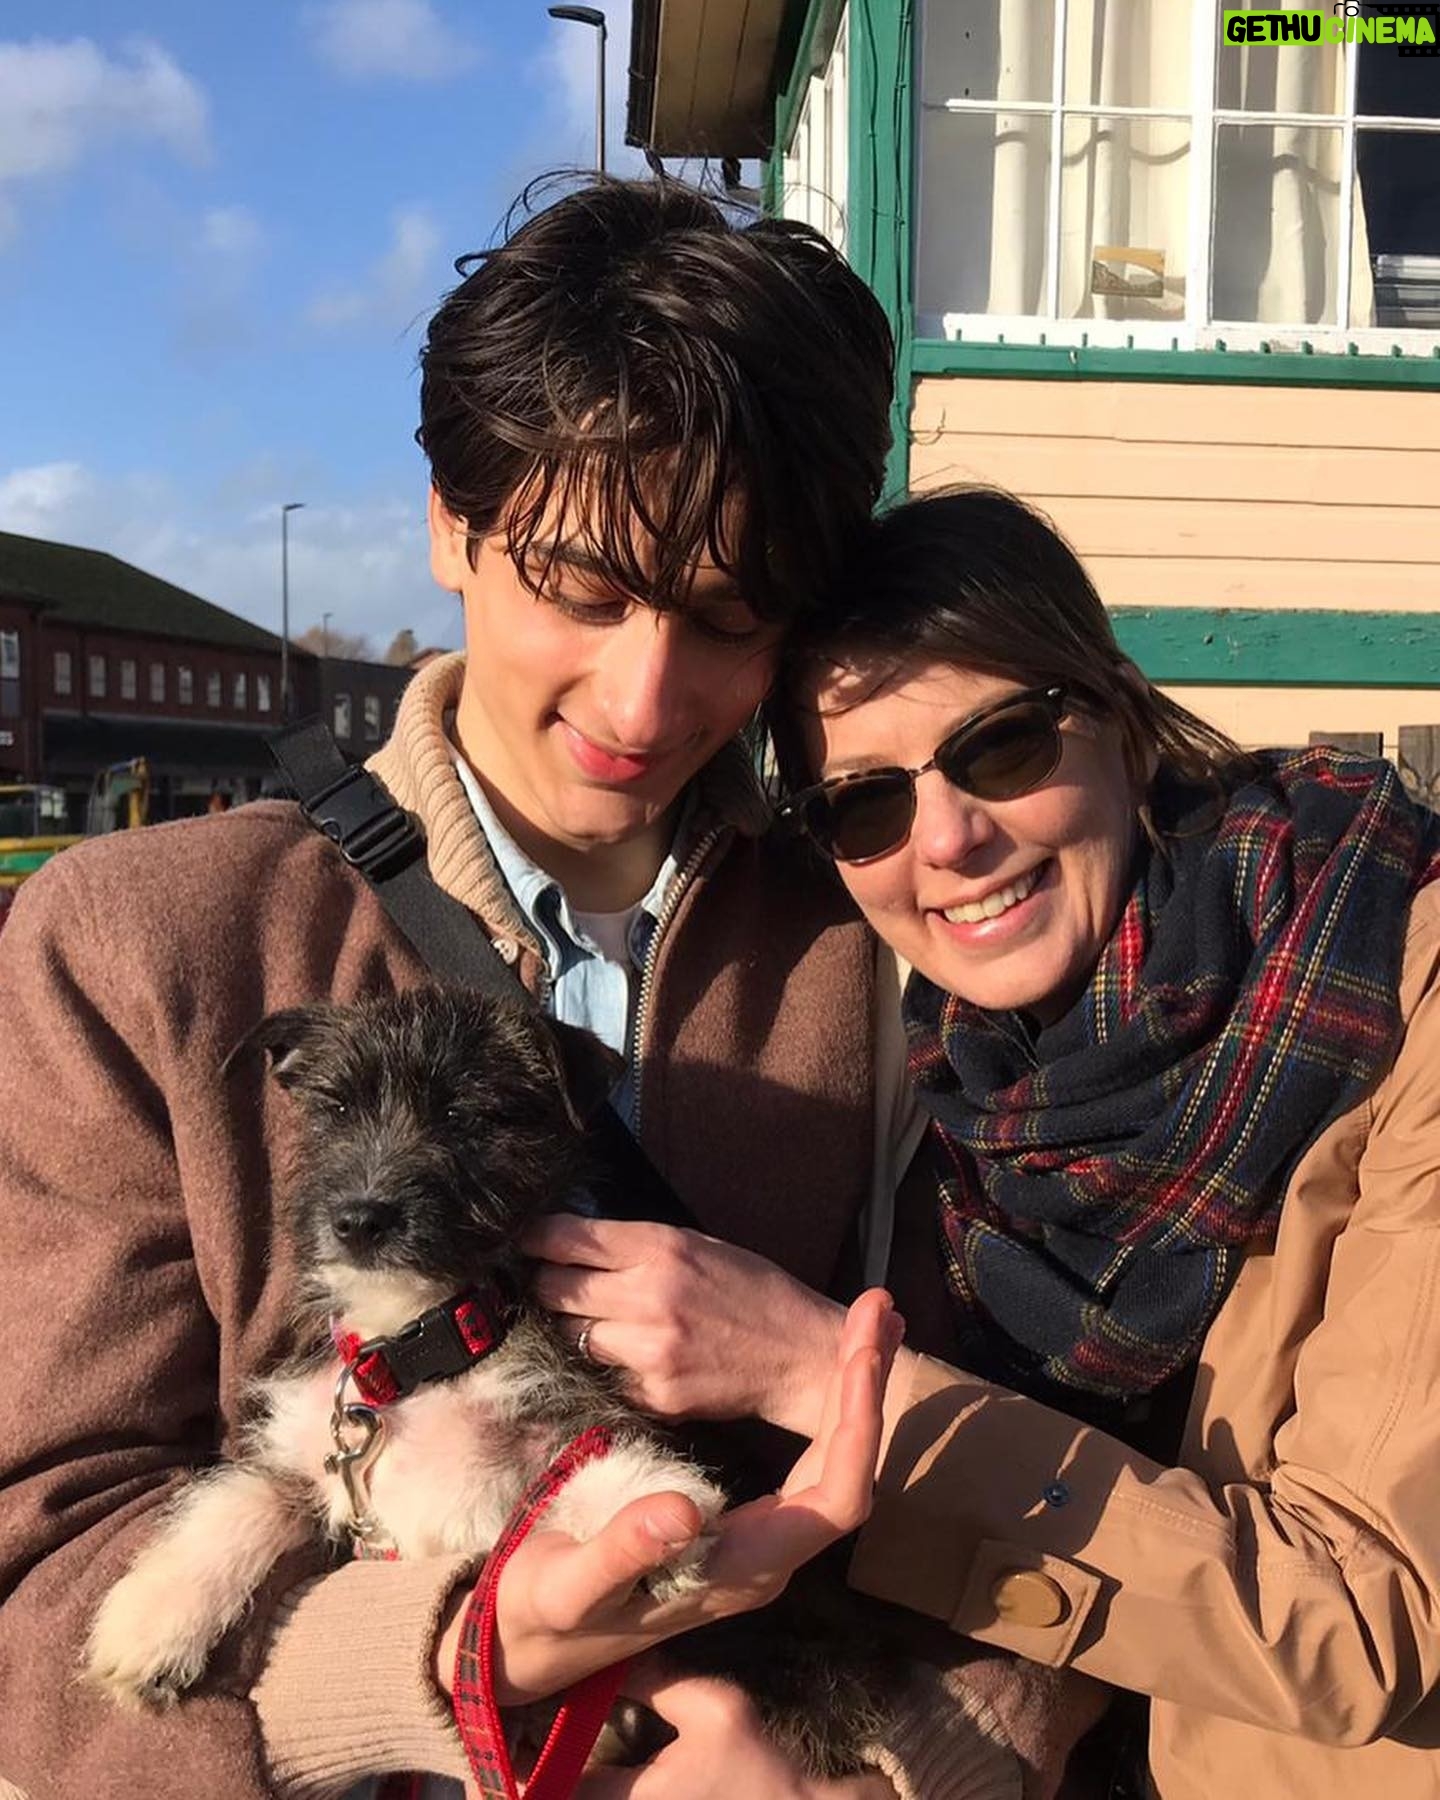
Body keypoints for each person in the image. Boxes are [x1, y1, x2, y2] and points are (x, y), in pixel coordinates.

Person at [0, 184, 1035, 1800]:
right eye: (581, 586)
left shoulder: (902, 930)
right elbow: (42, 1572)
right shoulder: (142, 950)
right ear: (449, 525)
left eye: (728, 616)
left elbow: (1055, 1454)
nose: (644, 694)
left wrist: (908, 1771)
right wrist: (449, 1671)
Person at [533, 484, 1440, 1800]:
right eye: (865, 806)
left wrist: (821, 1372)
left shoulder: (1394, 983)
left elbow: (1360, 1624)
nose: (949, 840)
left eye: (1003, 746)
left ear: (1120, 720)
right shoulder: (959, 1077)